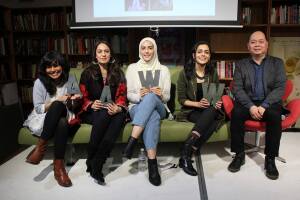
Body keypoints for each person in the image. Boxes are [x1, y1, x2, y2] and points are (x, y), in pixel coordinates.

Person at [227, 31, 286, 180]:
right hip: (248, 102)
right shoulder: (241, 64)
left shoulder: (277, 63)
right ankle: (239, 155)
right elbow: (237, 88)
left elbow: (280, 88)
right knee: (236, 114)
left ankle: (270, 159)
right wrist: (251, 106)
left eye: (261, 41)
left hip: (270, 103)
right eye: (253, 42)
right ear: (248, 46)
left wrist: (264, 105)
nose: (257, 45)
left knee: (274, 116)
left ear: (267, 45)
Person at [25, 51, 81, 187]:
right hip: (45, 118)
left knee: (61, 114)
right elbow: (38, 108)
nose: (53, 70)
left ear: (62, 65)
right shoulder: (39, 83)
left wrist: (76, 97)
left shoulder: (70, 78)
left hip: (67, 114)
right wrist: (57, 100)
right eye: (48, 67)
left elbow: (77, 97)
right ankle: (59, 168)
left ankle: (40, 148)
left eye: (56, 66)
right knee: (58, 112)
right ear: (44, 69)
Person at [123, 37, 171, 186]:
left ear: (155, 49)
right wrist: (139, 95)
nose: (147, 51)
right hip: (136, 107)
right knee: (153, 116)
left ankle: (132, 139)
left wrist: (161, 94)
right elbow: (128, 95)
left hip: (160, 106)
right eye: (143, 48)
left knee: (152, 98)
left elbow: (167, 97)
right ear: (139, 50)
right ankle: (152, 164)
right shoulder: (132, 68)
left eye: (150, 47)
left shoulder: (164, 70)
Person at [79, 40, 127, 185]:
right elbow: (82, 96)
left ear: (110, 53)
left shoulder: (118, 72)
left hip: (112, 111)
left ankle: (96, 162)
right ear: (95, 54)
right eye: (100, 51)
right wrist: (90, 104)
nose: (103, 54)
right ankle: (93, 158)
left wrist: (118, 107)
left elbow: (122, 95)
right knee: (106, 113)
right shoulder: (87, 73)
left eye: (106, 51)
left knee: (119, 116)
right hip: (93, 112)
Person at [176, 41, 224, 176]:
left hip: (208, 110)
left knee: (213, 110)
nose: (203, 54)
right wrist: (197, 104)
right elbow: (181, 99)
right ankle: (188, 151)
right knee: (213, 120)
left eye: (206, 52)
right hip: (191, 111)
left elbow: (215, 94)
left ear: (209, 56)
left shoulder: (212, 72)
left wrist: (217, 102)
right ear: (194, 55)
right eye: (200, 51)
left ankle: (186, 151)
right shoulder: (184, 73)